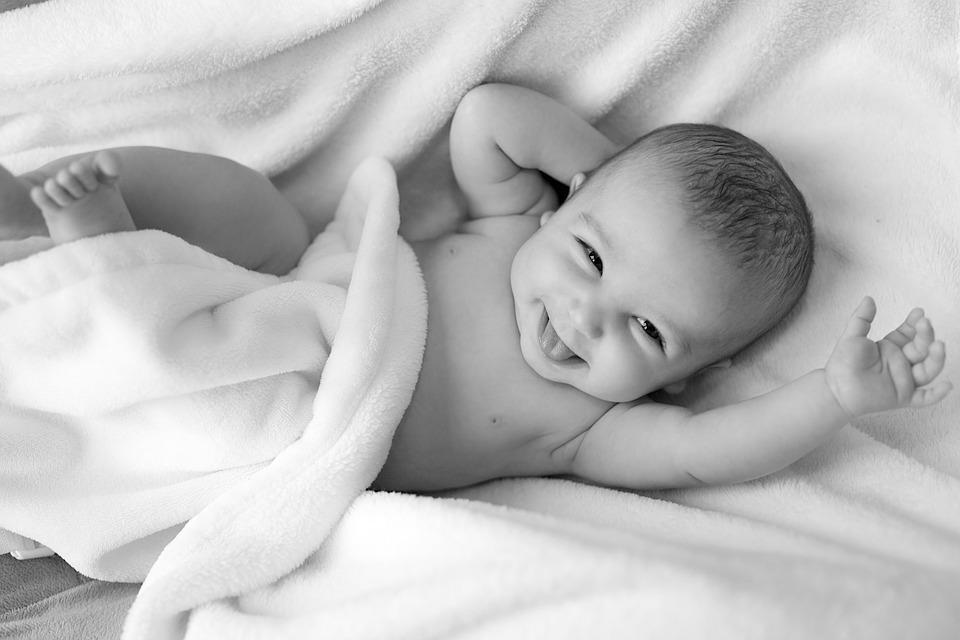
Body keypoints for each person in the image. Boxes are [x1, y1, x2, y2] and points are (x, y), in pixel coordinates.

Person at [0, 84, 950, 492]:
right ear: (561, 209)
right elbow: (486, 117)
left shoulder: (590, 429)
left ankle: (105, 268)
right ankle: (45, 210)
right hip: (300, 293)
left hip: (302, 422)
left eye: (649, 331)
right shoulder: (508, 226)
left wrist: (832, 395)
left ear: (686, 377)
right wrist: (608, 175)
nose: (587, 315)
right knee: (249, 206)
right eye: (591, 258)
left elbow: (712, 452)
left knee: (212, 398)